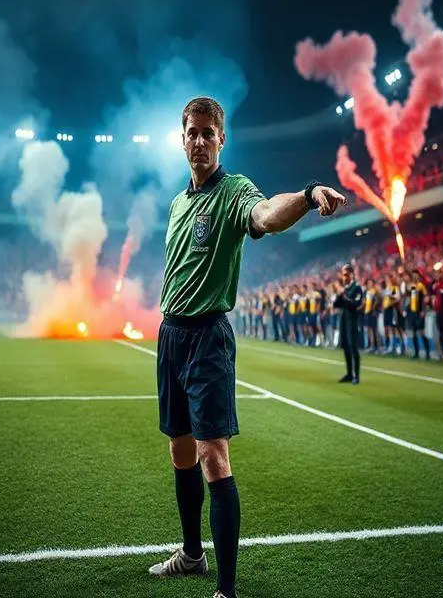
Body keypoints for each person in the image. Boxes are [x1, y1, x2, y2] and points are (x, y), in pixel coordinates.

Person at [149, 96, 346, 598]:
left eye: (206, 133)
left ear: (221, 139)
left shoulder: (234, 191)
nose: (198, 141)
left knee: (214, 454)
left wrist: (305, 195)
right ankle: (192, 556)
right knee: (180, 449)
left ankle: (228, 590)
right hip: (170, 336)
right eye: (190, 132)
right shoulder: (177, 203)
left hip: (208, 339)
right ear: (182, 138)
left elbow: (266, 214)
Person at [334, 264, 364, 383]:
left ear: (351, 274)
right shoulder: (345, 289)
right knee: (345, 347)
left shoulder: (357, 288)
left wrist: (344, 294)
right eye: (343, 274)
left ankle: (356, 375)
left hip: (352, 321)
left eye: (346, 274)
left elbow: (355, 304)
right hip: (343, 320)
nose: (344, 277)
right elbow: (336, 305)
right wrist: (339, 294)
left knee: (353, 348)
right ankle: (349, 373)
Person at [406, 269, 430, 359]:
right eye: (413, 276)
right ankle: (416, 352)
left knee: (421, 332)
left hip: (419, 312)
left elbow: (425, 298)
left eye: (416, 276)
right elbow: (407, 296)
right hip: (412, 312)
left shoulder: (421, 286)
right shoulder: (411, 286)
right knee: (414, 333)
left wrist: (423, 310)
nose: (415, 277)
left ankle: (427, 352)